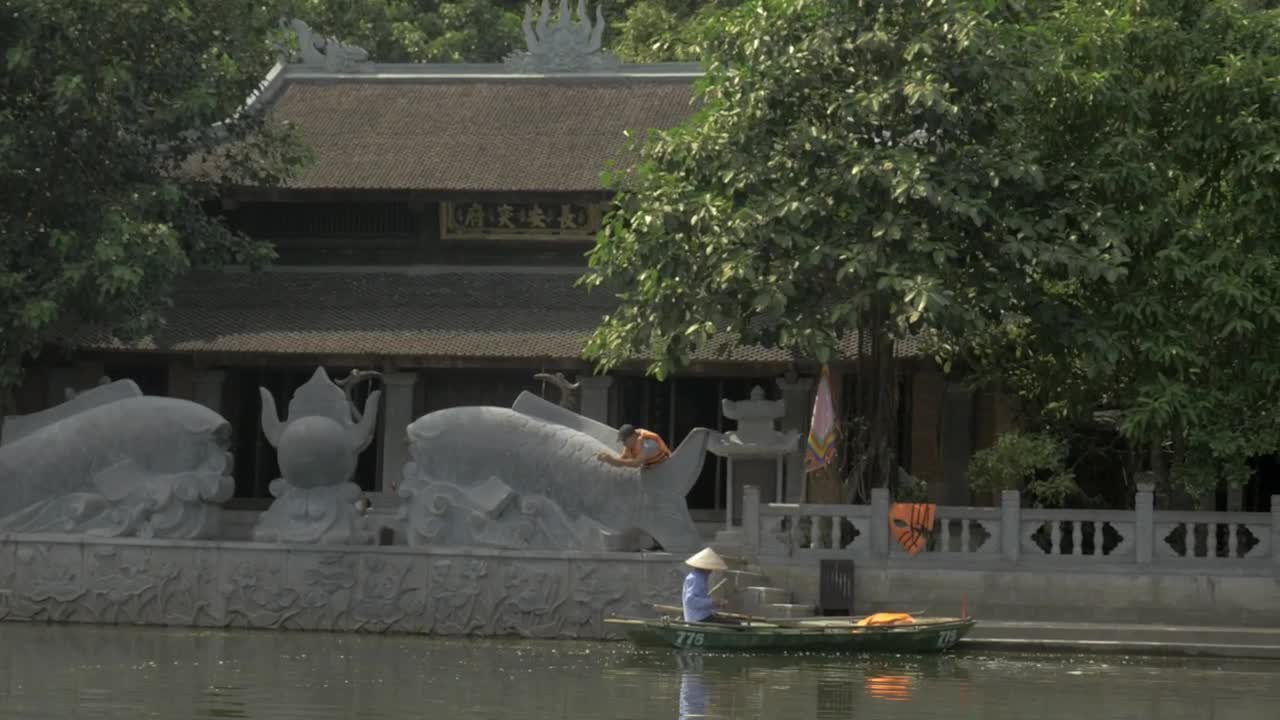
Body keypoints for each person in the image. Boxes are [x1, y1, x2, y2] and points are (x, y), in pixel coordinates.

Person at [681, 547, 735, 624]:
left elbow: (701, 600)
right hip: (698, 619)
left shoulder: (698, 577)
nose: (711, 571)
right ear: (705, 568)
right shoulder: (696, 578)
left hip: (702, 616)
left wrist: (715, 605)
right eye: (710, 568)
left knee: (728, 621)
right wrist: (713, 603)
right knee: (736, 625)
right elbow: (690, 601)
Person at [596, 424, 671, 468]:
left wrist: (612, 460)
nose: (623, 444)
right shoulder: (630, 444)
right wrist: (607, 459)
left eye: (624, 440)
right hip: (652, 470)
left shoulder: (648, 444)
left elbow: (636, 464)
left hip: (666, 467)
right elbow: (621, 461)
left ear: (633, 436)